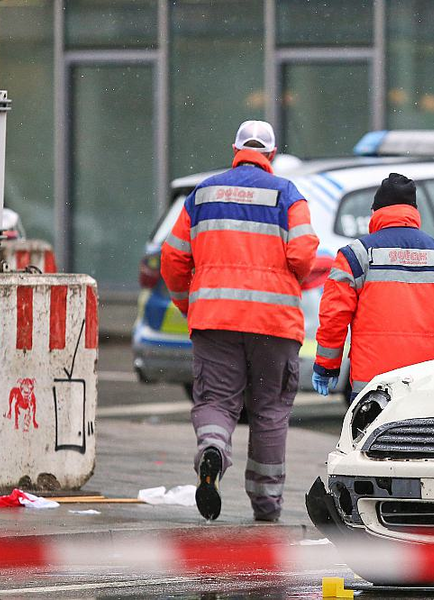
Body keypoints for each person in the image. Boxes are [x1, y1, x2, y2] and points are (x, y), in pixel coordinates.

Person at [161, 120, 319, 521]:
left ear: (234, 149)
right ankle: (266, 506)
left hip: (215, 320)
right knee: (268, 411)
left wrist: (187, 304)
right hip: (273, 323)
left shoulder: (203, 193)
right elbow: (303, 254)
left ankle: (212, 449)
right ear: (272, 154)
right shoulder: (288, 195)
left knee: (216, 400)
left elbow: (173, 258)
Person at [311, 172, 434, 400]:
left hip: (372, 388)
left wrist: (327, 365)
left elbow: (334, 317)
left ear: (375, 212)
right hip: (426, 386)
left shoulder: (356, 256)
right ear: (414, 212)